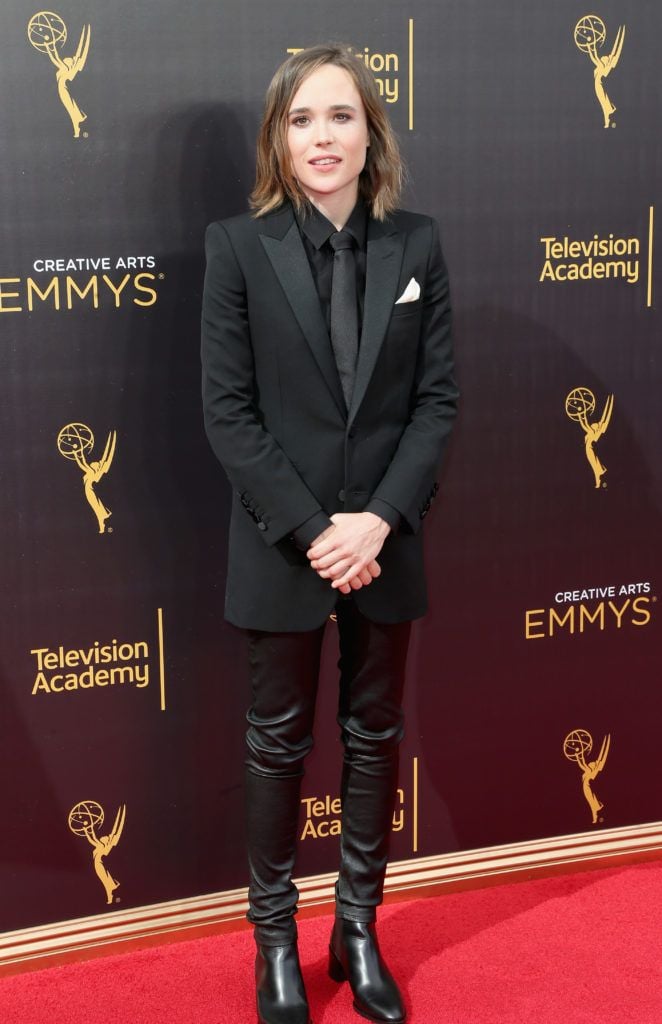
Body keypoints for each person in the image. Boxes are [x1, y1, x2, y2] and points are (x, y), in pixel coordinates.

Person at [201, 43, 458, 1024]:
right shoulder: (236, 246)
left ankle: (357, 926)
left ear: (369, 134)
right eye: (302, 118)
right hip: (282, 546)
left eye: (340, 116)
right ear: (279, 136)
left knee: (373, 736)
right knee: (273, 746)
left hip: (385, 541)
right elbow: (229, 414)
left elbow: (434, 405)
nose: (322, 136)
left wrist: (377, 521)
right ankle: (274, 941)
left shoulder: (417, 245)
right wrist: (316, 530)